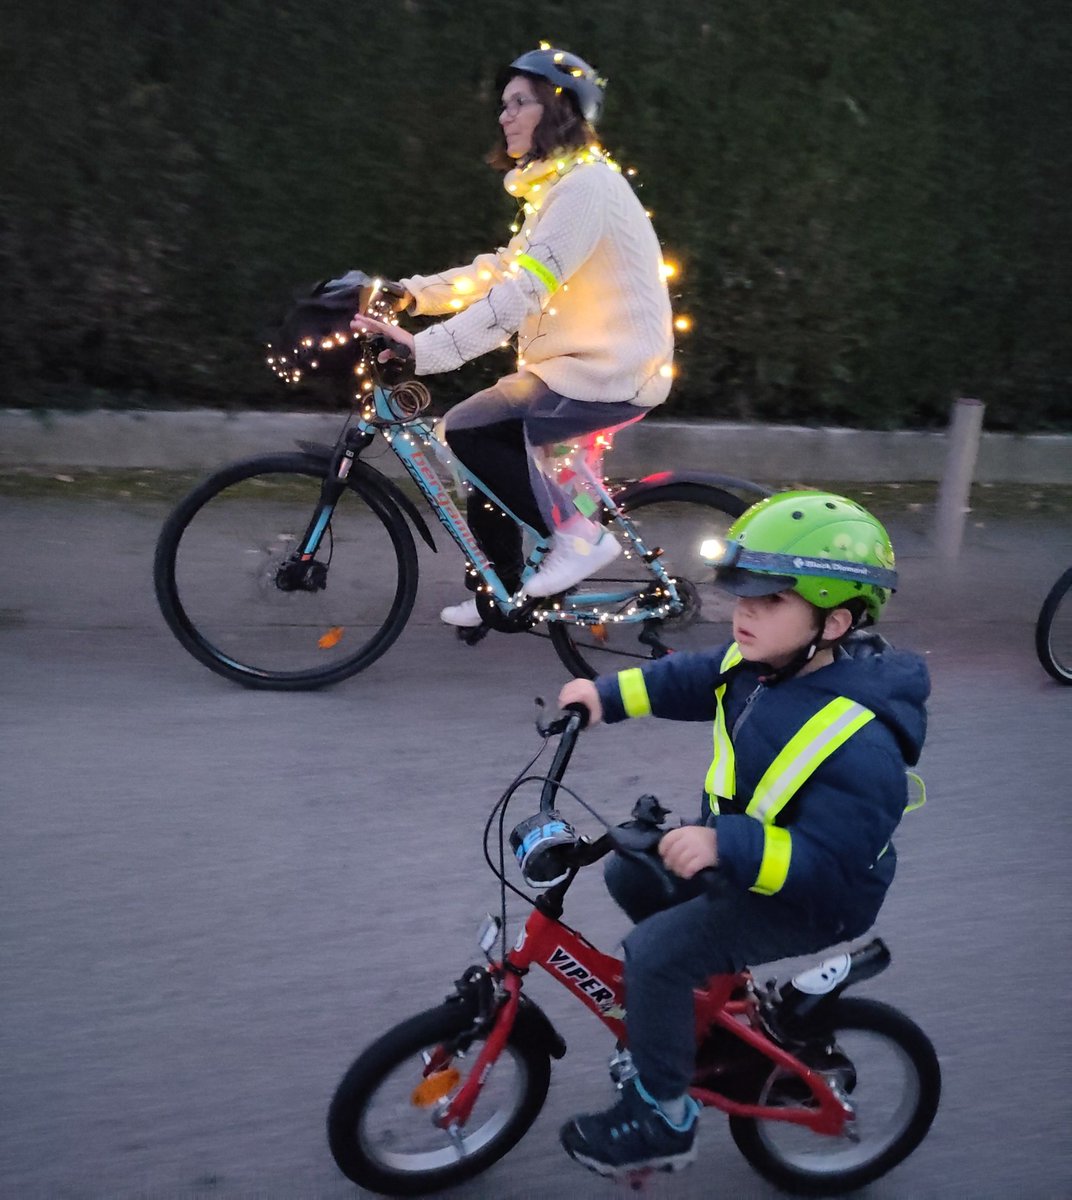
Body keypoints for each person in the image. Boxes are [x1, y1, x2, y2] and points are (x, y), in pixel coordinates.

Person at [554, 490, 930, 1178]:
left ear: (835, 621)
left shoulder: (858, 739)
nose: (744, 613)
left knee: (657, 954)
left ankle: (663, 1116)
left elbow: (832, 860)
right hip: (749, 860)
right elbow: (694, 678)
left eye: (769, 601)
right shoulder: (761, 664)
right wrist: (606, 697)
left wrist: (727, 846)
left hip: (812, 894)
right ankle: (707, 1008)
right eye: (742, 597)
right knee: (628, 871)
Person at [350, 46, 674, 627]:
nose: (504, 116)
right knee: (481, 447)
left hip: (610, 370)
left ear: (559, 109)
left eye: (519, 102)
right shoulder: (560, 190)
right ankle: (501, 594)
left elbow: (521, 293)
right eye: (503, 105)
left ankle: (577, 539)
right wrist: (412, 294)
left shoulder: (586, 190)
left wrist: (425, 350)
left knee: (473, 430)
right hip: (577, 365)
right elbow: (502, 270)